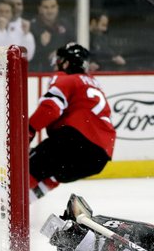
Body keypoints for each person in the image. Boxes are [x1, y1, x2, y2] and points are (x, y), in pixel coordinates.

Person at [28, 42, 116, 202]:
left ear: (67, 63)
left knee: (28, 168)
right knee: (53, 174)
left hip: (75, 141)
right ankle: (22, 203)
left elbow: (51, 107)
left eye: (61, 60)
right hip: (100, 157)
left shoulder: (66, 79)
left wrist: (28, 129)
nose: (57, 63)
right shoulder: (94, 83)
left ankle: (0, 206)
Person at [29, 0, 73, 72]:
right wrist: (43, 48)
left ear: (57, 8)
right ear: (40, 9)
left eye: (53, 7)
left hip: (62, 71)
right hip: (38, 72)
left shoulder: (65, 25)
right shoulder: (32, 27)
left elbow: (73, 44)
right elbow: (28, 55)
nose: (50, 11)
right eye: (46, 7)